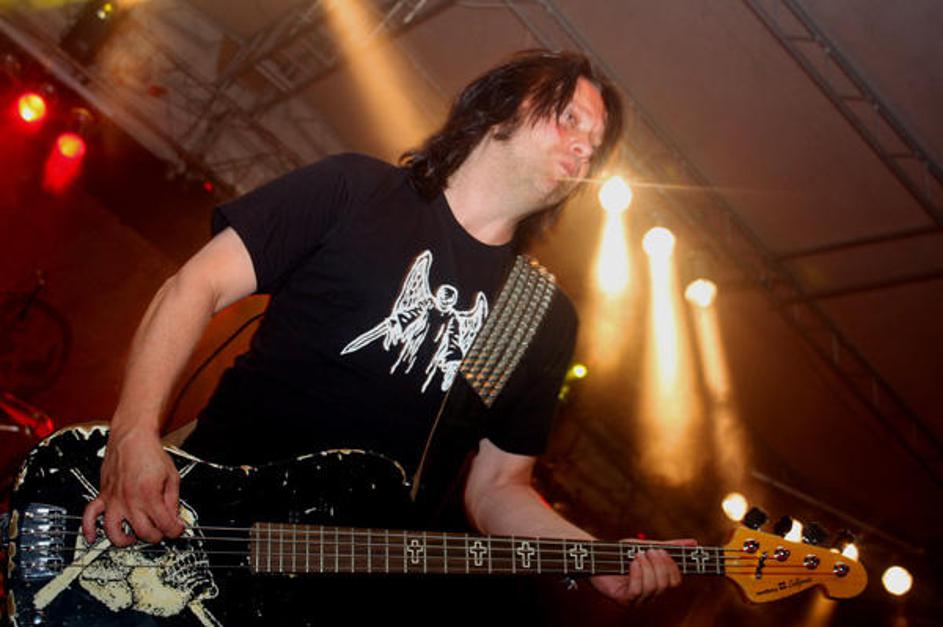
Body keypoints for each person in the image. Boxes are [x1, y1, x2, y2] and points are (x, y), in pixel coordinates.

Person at [82, 49, 693, 612]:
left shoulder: (540, 317)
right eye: (569, 119)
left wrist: (589, 555)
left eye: (595, 144)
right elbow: (195, 286)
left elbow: (497, 487)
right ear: (500, 110)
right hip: (192, 518)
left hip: (329, 592)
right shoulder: (355, 190)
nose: (584, 148)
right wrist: (132, 435)